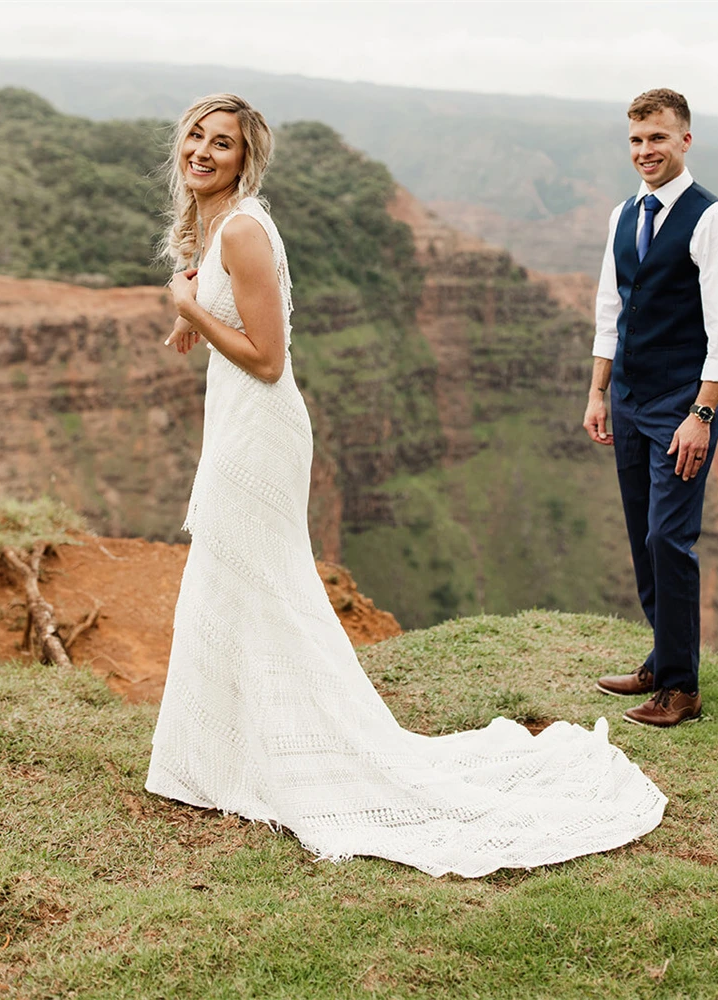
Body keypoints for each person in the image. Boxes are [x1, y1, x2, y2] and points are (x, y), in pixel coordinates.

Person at [146, 93, 667, 877]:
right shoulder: (220, 227)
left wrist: (190, 305)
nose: (203, 151)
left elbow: (267, 358)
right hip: (239, 425)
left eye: (222, 143)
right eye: (196, 136)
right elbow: (233, 321)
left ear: (244, 159)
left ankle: (261, 759)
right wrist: (196, 309)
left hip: (259, 430)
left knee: (260, 585)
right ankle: (223, 759)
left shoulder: (246, 227)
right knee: (235, 583)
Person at [584, 88, 718, 728]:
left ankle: (681, 689)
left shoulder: (714, 221)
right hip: (626, 398)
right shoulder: (623, 214)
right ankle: (662, 655)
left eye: (658, 138)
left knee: (669, 538)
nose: (645, 151)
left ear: (685, 140)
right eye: (635, 140)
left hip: (682, 408)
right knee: (640, 537)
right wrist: (598, 391)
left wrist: (702, 416)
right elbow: (610, 308)